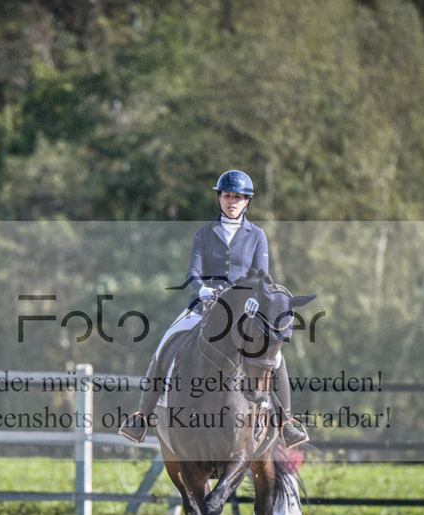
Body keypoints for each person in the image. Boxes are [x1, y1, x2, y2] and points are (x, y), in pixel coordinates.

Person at [119, 169, 309, 448]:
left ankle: (286, 422)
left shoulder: (257, 235)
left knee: (276, 358)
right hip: (204, 307)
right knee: (163, 346)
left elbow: (262, 278)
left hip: (244, 313)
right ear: (219, 198)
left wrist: (255, 302)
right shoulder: (205, 233)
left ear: (247, 202)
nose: (232, 201)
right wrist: (203, 289)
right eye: (227, 195)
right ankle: (142, 418)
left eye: (239, 197)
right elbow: (193, 273)